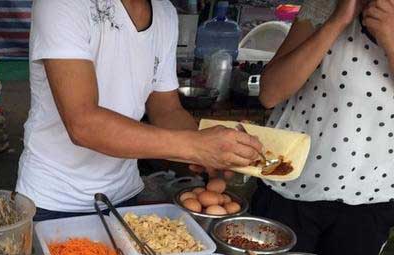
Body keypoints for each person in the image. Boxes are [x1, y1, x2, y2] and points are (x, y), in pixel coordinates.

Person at [16, 0, 263, 222]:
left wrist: (214, 151)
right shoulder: (63, 4)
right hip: (55, 201)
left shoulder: (165, 13)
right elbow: (83, 123)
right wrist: (196, 146)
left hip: (122, 199)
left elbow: (166, 110)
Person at [254, 0, 394, 255]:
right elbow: (269, 93)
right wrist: (336, 22)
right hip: (288, 183)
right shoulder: (324, 6)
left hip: (369, 202)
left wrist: (390, 38)